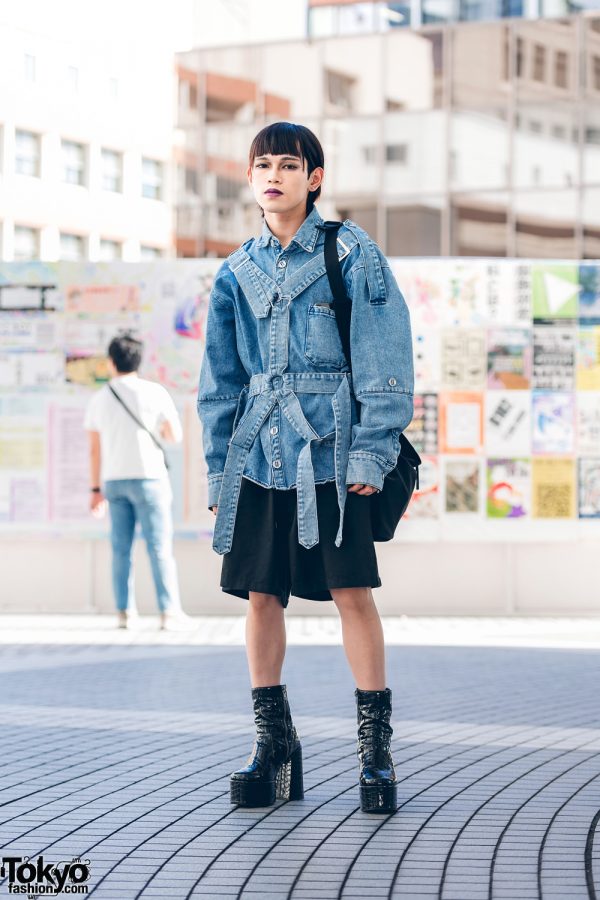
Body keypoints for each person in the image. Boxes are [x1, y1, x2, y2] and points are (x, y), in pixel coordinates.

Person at [197, 122, 414, 813]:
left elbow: (384, 360)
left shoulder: (352, 253)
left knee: (352, 592)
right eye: (263, 164)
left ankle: (375, 756)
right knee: (261, 596)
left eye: (289, 165)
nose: (274, 175)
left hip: (332, 450)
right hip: (259, 457)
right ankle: (274, 748)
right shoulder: (234, 271)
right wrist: (216, 473)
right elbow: (221, 382)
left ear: (314, 178)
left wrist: (373, 453)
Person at [85, 332, 186, 631]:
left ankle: (125, 613)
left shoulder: (99, 398)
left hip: (114, 481)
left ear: (111, 362)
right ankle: (168, 613)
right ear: (139, 361)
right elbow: (174, 437)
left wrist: (94, 490)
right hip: (150, 478)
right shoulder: (154, 393)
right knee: (159, 547)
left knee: (120, 549)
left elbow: (94, 450)